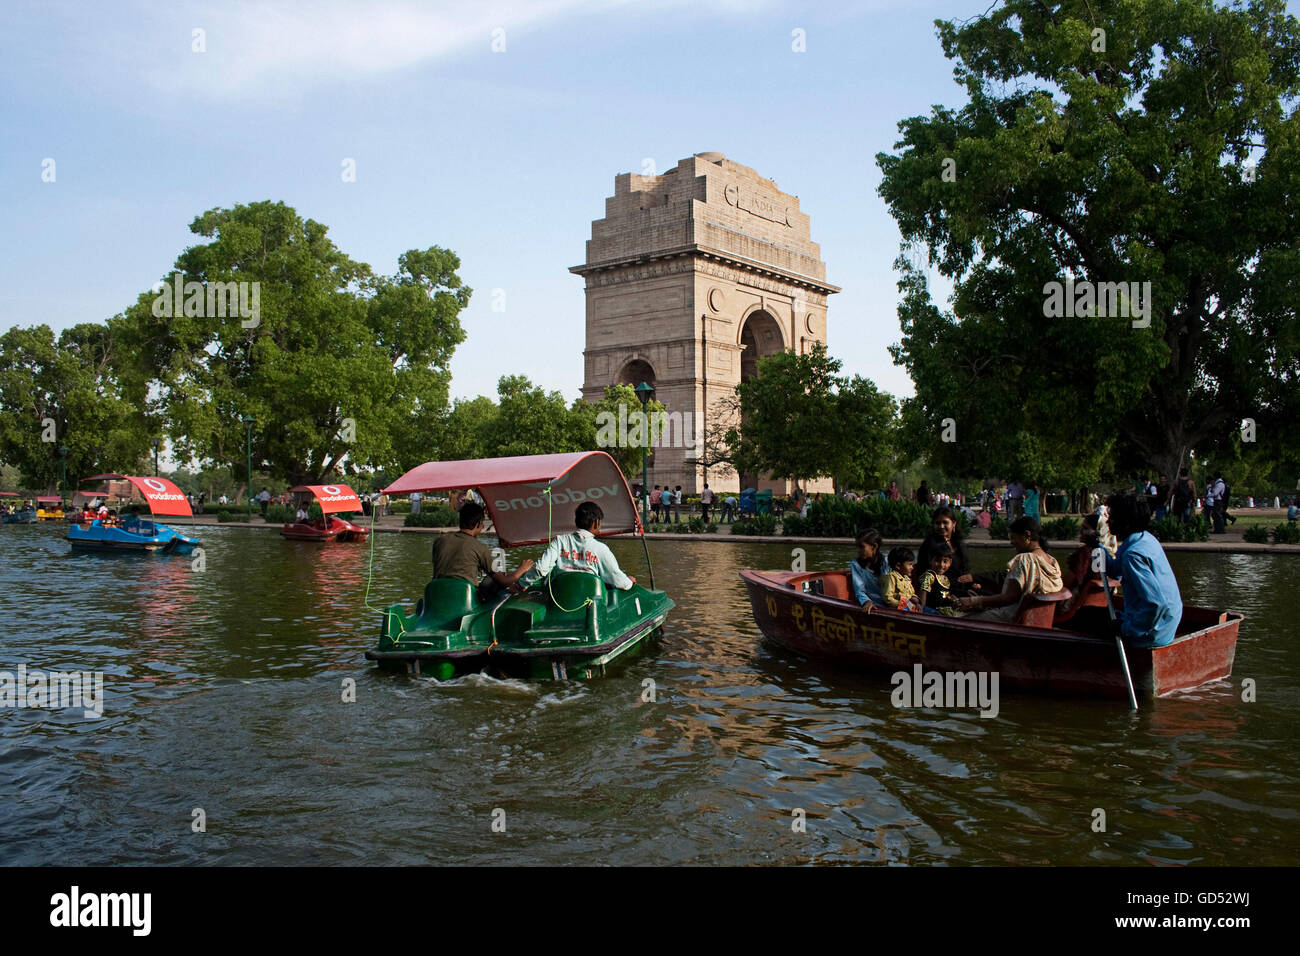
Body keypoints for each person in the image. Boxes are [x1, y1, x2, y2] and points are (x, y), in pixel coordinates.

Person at [1102, 493, 1184, 647]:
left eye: (1112, 517)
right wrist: (1098, 548)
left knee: (1090, 621)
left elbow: (1155, 604)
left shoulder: (1133, 555)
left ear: (1124, 522)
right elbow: (1114, 571)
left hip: (1153, 633)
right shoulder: (1144, 538)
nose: (1108, 521)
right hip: (1166, 623)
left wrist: (1126, 628)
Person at [953, 517, 1063, 621]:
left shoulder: (1025, 560)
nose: (1011, 543)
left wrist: (973, 601)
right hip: (1034, 617)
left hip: (1013, 617)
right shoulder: (1051, 560)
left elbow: (1009, 597)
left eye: (1013, 538)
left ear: (1027, 535)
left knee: (959, 617)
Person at [517, 502, 635, 591]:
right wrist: (629, 582)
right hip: (591, 601)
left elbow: (540, 569)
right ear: (596, 523)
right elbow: (617, 579)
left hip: (561, 598)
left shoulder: (559, 541)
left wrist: (521, 584)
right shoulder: (601, 549)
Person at [432, 502, 534, 602]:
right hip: (463, 598)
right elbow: (504, 582)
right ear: (478, 524)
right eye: (482, 524)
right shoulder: (479, 547)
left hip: (436, 594)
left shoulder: (439, 541)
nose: (483, 527)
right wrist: (522, 569)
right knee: (495, 579)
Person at [918, 542, 960, 617]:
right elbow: (923, 592)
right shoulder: (929, 575)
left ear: (950, 563)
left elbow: (947, 595)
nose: (941, 565)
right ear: (930, 560)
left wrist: (955, 600)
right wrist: (921, 610)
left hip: (945, 610)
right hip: (932, 611)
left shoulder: (945, 578)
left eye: (945, 561)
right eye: (937, 560)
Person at [850, 529, 889, 606]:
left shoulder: (886, 562)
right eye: (857, 547)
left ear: (874, 546)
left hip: (891, 604)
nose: (858, 550)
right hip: (872, 605)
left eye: (861, 547)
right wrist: (866, 601)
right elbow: (859, 590)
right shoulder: (856, 564)